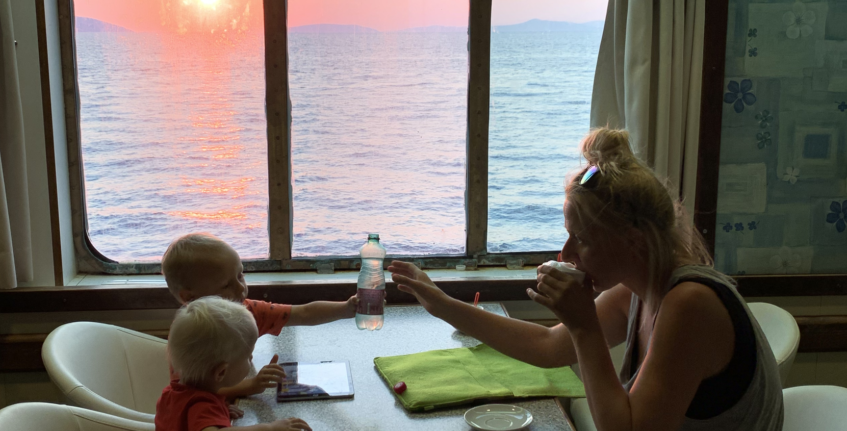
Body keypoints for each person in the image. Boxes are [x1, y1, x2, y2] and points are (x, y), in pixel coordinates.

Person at [390, 128, 784, 431]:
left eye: (582, 239)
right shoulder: (639, 289)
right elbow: (547, 346)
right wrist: (442, 304)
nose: (567, 255)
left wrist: (583, 324)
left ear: (632, 241)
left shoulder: (691, 304)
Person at [162, 234, 358, 399]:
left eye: (240, 276)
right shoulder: (189, 336)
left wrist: (346, 309)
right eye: (226, 285)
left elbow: (304, 313)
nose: (241, 288)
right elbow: (188, 394)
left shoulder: (248, 310)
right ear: (190, 297)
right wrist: (252, 385)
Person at [155, 296, 312, 431]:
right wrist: (269, 428)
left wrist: (219, 414)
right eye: (247, 357)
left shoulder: (171, 393)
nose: (251, 360)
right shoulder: (202, 406)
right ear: (221, 372)